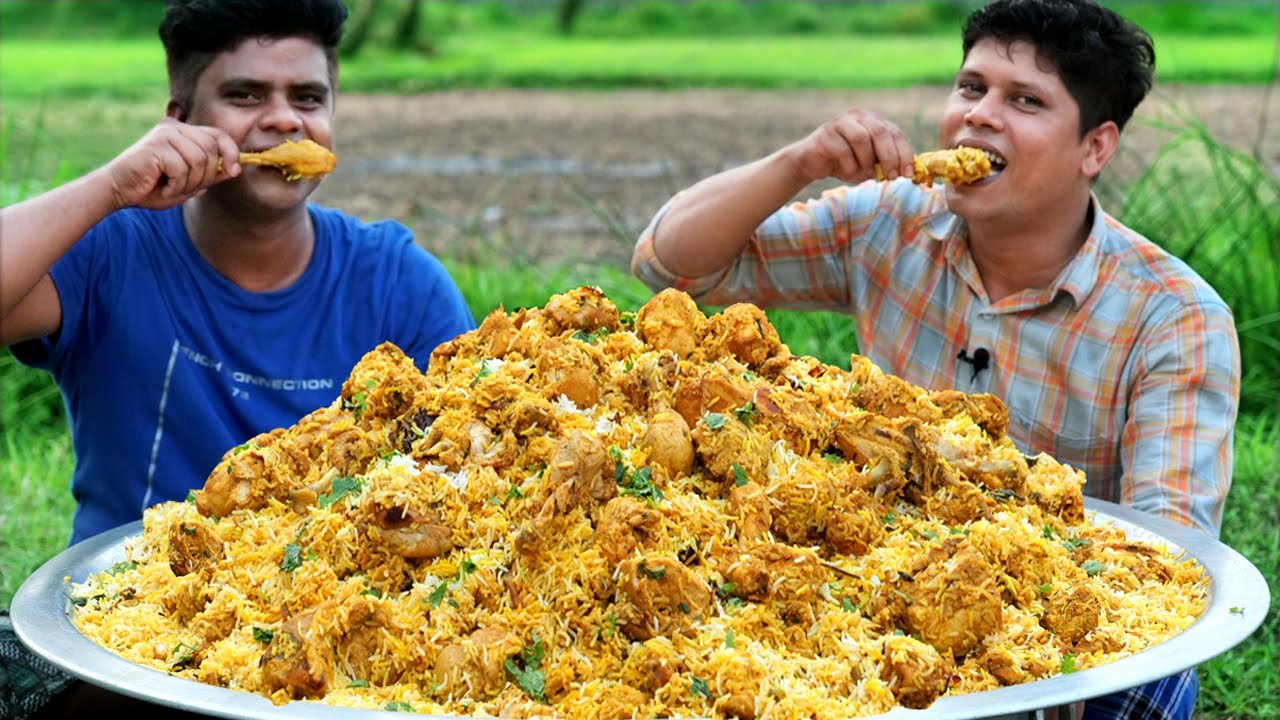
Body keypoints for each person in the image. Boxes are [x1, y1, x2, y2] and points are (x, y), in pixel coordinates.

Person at [631, 1, 1238, 719]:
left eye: (1025, 100)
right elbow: (671, 264)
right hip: (874, 590)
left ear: (1095, 148)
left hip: (1054, 619)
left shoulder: (1174, 318)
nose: (979, 116)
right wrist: (801, 164)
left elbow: (1165, 559)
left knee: (1153, 678)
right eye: (971, 88)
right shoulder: (889, 219)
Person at [0, 0, 475, 716]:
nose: (284, 120)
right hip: (131, 649)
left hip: (343, 669)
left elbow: (479, 462)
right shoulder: (113, 252)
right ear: (179, 119)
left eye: (308, 99)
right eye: (245, 94)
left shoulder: (396, 281)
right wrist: (110, 187)